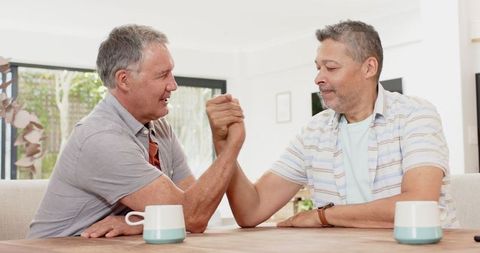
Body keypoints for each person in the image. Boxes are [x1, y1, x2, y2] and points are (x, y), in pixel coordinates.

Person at [207, 20, 457, 228]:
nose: (318, 78)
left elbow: (418, 203)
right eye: (318, 68)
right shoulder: (314, 132)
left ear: (369, 67)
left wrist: (323, 216)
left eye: (331, 68)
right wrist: (226, 147)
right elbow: (252, 210)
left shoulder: (415, 115)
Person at [28, 24, 245, 238]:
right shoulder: (101, 138)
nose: (173, 85)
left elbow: (193, 204)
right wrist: (230, 146)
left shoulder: (160, 128)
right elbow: (192, 216)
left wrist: (139, 222)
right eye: (163, 75)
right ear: (124, 80)